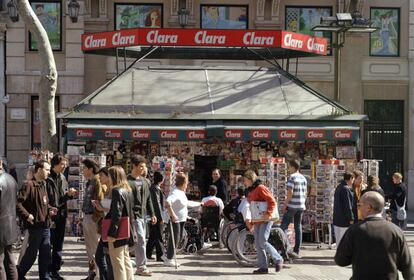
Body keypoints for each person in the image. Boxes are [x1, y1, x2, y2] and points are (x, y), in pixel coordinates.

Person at [335, 191, 413, 279]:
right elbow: (407, 265)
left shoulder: (354, 230)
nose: (358, 208)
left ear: (368, 207)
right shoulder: (396, 231)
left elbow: (341, 260)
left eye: (359, 205)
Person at [16, 160, 57, 280]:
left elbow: (44, 204)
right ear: (39, 170)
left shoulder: (43, 184)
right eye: (47, 169)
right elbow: (18, 204)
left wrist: (50, 209)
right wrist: (27, 215)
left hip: (45, 225)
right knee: (31, 254)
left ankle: (45, 277)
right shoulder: (28, 185)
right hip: (35, 227)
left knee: (45, 254)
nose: (49, 172)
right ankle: (18, 275)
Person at [244, 170, 283, 274]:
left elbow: (272, 201)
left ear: (250, 179)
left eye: (245, 180)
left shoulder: (260, 188)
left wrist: (268, 213)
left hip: (265, 218)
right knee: (258, 243)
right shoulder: (251, 190)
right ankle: (263, 267)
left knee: (262, 241)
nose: (244, 182)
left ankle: (278, 258)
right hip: (258, 220)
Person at [46, 153, 77, 280]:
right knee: (48, 245)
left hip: (61, 215)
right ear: (54, 165)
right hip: (50, 216)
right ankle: (47, 270)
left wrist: (69, 195)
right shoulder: (47, 179)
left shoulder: (63, 178)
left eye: (65, 164)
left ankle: (55, 270)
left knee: (59, 244)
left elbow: (62, 197)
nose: (64, 166)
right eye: (62, 164)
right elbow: (50, 199)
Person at [127, 155, 156, 276]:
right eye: (141, 166)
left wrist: (153, 213)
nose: (143, 169)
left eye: (144, 167)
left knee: (140, 240)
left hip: (143, 215)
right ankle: (141, 266)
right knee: (140, 240)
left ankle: (139, 265)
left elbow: (149, 199)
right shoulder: (127, 181)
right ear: (134, 166)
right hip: (132, 214)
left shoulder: (145, 181)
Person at [106, 166, 135, 280]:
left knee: (117, 261)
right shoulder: (127, 190)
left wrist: (112, 233)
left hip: (117, 231)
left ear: (114, 176)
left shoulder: (116, 191)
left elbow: (116, 214)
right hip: (126, 229)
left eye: (109, 175)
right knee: (125, 259)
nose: (108, 178)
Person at [81, 158, 106, 280]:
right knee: (89, 248)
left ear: (90, 169)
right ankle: (92, 273)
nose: (83, 170)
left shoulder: (97, 181)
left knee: (95, 248)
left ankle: (98, 275)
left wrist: (97, 218)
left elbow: (100, 200)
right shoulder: (89, 182)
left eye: (84, 168)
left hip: (93, 218)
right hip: (87, 216)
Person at [280, 159, 307, 256]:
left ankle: (281, 249)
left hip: (292, 205)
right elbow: (305, 193)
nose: (288, 169)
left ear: (293, 167)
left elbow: (290, 193)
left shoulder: (292, 177)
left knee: (282, 227)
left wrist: (285, 205)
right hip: (301, 205)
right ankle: (296, 250)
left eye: (289, 167)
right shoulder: (303, 178)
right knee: (298, 227)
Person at [164, 173, 188, 267]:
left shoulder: (181, 192)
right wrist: (173, 215)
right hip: (176, 219)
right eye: (186, 182)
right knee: (175, 238)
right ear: (183, 183)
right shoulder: (176, 192)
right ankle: (169, 258)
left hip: (181, 219)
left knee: (179, 237)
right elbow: (167, 202)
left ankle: (169, 256)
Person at [94, 167, 114, 280]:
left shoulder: (114, 190)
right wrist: (100, 207)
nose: (99, 177)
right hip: (106, 225)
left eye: (101, 175)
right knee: (102, 257)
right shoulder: (108, 189)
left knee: (102, 257)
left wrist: (102, 208)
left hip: (111, 227)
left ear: (108, 176)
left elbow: (116, 210)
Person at [0, 163, 19, 280]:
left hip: (1, 225)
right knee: (9, 258)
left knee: (1, 262)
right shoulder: (11, 178)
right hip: (10, 224)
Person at [146, 171, 166, 262]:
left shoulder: (154, 188)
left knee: (154, 235)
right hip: (156, 216)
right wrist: (161, 218)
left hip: (154, 215)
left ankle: (148, 253)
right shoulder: (155, 189)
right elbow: (157, 204)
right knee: (159, 236)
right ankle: (160, 255)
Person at [333, 172, 355, 246]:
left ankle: (339, 255)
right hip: (344, 220)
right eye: (353, 179)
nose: (353, 182)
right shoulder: (346, 189)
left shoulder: (339, 187)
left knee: (339, 240)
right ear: (350, 178)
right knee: (344, 240)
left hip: (337, 218)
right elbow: (348, 205)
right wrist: (351, 218)